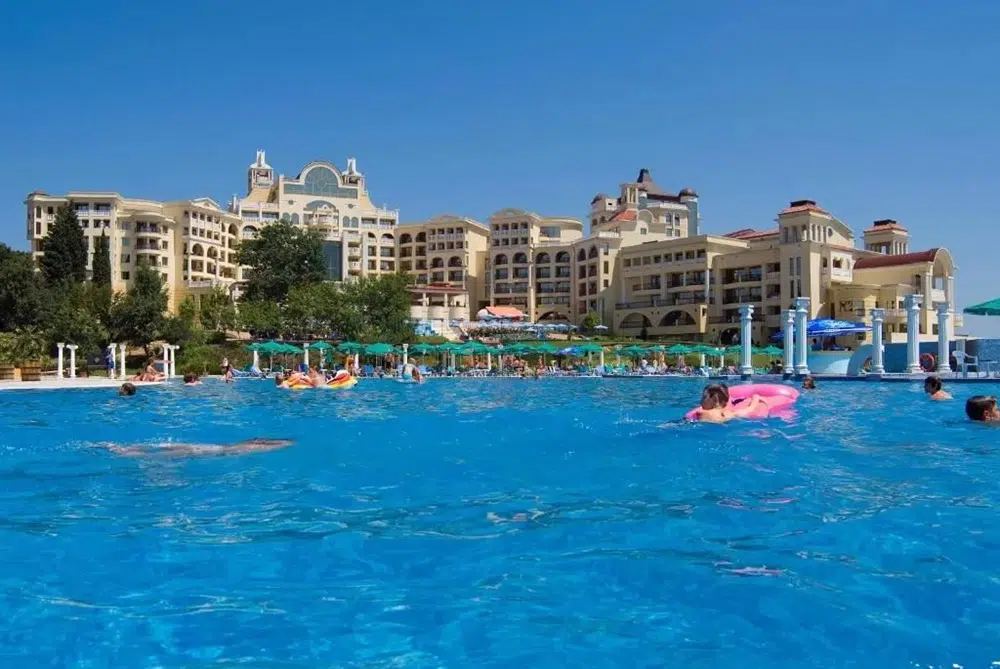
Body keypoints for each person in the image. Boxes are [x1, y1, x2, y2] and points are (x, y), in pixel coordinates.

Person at [103, 437, 294, 458]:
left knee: (164, 447)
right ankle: (122, 452)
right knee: (155, 456)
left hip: (208, 446)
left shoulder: (242, 445)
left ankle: (122, 448)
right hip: (202, 451)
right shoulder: (246, 448)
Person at [690, 383, 763, 424]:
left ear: (715, 398)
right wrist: (756, 398)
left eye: (704, 397)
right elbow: (750, 408)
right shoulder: (731, 414)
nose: (701, 401)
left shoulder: (703, 413)